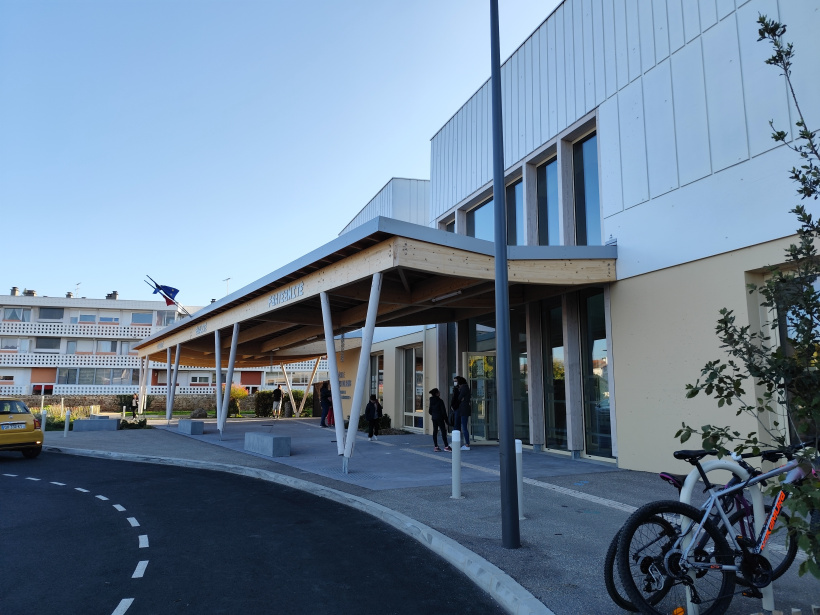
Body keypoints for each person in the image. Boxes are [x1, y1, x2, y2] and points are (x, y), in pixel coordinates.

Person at [456, 376, 472, 450]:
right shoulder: (466, 388)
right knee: (464, 426)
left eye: (456, 382)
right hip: (465, 408)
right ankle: (467, 443)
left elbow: (459, 398)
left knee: (464, 427)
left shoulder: (464, 388)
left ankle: (467, 444)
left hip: (464, 409)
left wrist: (461, 398)